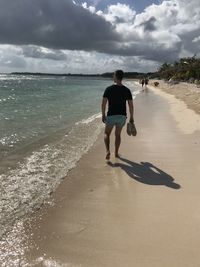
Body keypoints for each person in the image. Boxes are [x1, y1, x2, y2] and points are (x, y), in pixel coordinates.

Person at [101, 70, 134, 160]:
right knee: (118, 135)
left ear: (116, 77)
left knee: (107, 133)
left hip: (111, 115)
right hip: (122, 116)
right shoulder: (127, 90)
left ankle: (108, 151)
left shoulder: (108, 89)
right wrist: (131, 117)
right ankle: (116, 153)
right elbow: (131, 106)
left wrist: (103, 115)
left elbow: (103, 104)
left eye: (113, 75)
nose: (113, 77)